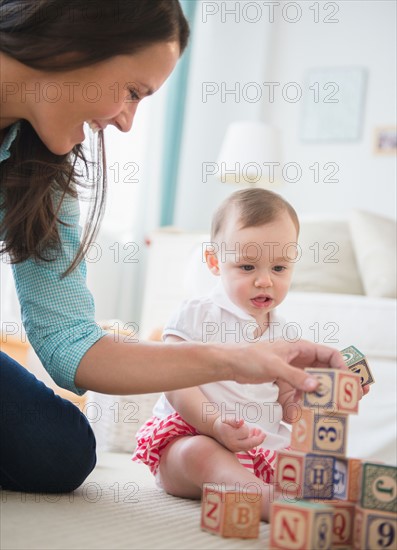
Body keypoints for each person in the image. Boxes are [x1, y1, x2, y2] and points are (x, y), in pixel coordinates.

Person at [0, 0, 347, 495]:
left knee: (61, 450)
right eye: (132, 92)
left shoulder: (42, 177)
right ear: (76, 41)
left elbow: (69, 344)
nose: (126, 124)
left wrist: (237, 360)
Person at [132, 189, 367, 521]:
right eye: (247, 266)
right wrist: (214, 424)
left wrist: (323, 398)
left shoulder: (284, 335)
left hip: (260, 452)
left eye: (280, 268)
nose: (264, 280)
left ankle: (302, 499)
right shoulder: (197, 313)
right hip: (193, 440)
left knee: (312, 466)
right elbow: (175, 382)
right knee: (200, 453)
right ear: (215, 262)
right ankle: (262, 499)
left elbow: (287, 405)